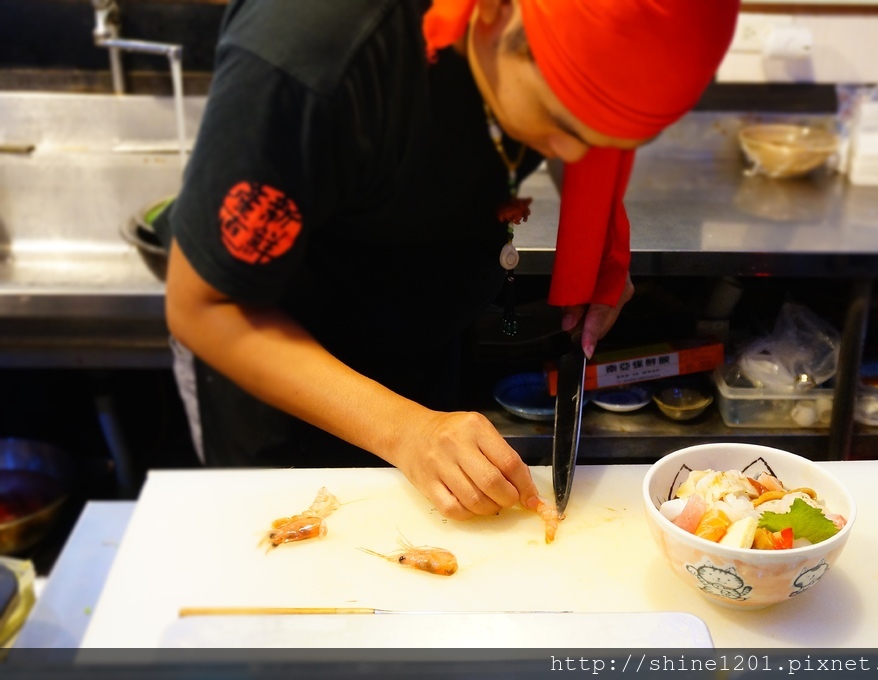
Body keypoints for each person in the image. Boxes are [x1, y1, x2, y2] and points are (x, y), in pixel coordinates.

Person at [156, 0, 738, 520]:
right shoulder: (309, 53)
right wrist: (406, 430)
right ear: (492, 16)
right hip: (281, 379)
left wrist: (602, 247)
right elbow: (205, 307)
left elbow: (594, 129)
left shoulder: (534, 44)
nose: (576, 155)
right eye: (558, 126)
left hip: (421, 341)